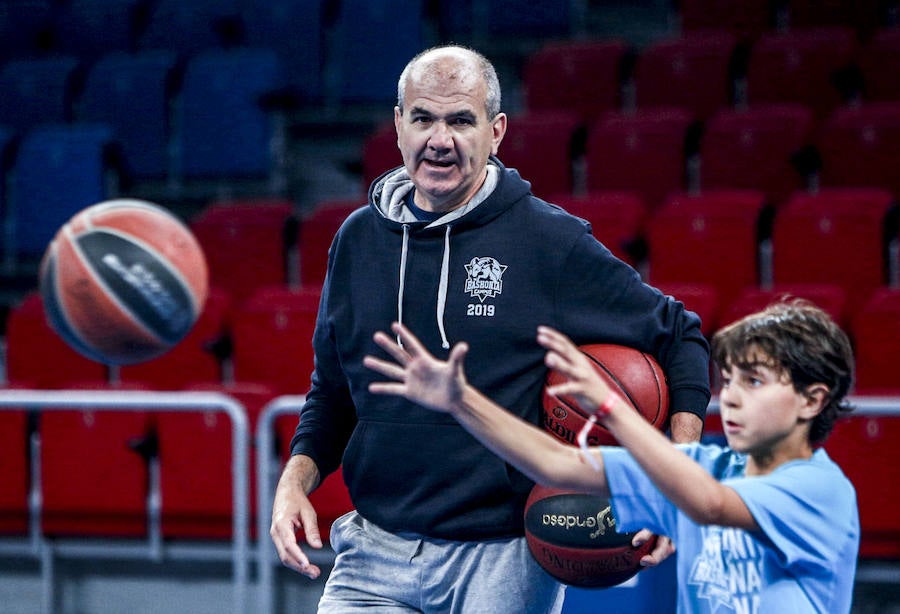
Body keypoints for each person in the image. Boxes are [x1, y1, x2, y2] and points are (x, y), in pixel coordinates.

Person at [270, 44, 711, 613]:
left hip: (503, 557)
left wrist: (674, 477)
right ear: (399, 125)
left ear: (496, 131)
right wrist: (294, 484)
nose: (439, 140)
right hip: (373, 549)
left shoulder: (548, 241)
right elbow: (332, 391)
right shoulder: (355, 241)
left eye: (461, 120)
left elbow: (681, 336)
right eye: (423, 118)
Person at [364, 300, 860, 613]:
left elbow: (709, 504)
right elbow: (556, 466)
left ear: (812, 400)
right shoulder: (709, 468)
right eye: (727, 382)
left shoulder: (819, 491)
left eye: (752, 382)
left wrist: (612, 412)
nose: (728, 398)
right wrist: (461, 400)